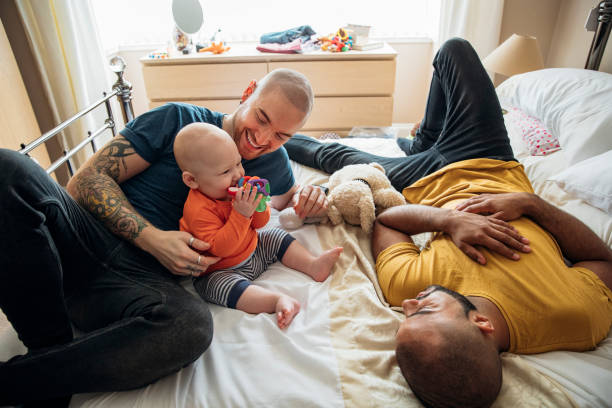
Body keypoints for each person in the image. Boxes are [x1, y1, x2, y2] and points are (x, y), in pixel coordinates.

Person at [285, 38, 612, 407]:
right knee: (454, 50)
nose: (409, 304)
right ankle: (425, 139)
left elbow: (388, 220)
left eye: (406, 316)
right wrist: (532, 204)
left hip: (419, 181)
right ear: (482, 325)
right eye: (422, 311)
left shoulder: (407, 287)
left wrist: (449, 220)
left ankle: (234, 127)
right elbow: (603, 262)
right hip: (488, 159)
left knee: (330, 153)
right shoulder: (577, 318)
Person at [0, 68, 327, 406]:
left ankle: (29, 378)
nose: (262, 139)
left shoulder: (274, 164)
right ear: (248, 92)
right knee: (9, 167)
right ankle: (47, 350)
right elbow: (84, 182)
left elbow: (289, 202)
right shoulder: (178, 119)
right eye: (261, 118)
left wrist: (315, 198)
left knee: (191, 328)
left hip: (137, 284)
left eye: (282, 135)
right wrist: (153, 238)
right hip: (81, 239)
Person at [175, 123, 342, 328]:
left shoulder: (238, 185)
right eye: (226, 171)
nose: (237, 174)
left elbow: (260, 223)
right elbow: (221, 247)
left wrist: (259, 205)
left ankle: (312, 265)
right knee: (218, 288)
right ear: (192, 180)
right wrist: (241, 214)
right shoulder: (198, 209)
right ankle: (276, 301)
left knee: (274, 235)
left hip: (254, 250)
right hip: (221, 269)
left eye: (238, 163)